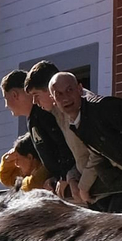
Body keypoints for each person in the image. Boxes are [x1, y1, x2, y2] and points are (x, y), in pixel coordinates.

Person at [50, 71, 122, 208]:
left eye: (69, 90)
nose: (66, 98)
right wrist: (78, 182)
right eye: (59, 94)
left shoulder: (103, 108)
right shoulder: (77, 123)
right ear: (53, 101)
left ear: (80, 89)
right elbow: (98, 152)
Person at [22, 63, 81, 194]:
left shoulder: (77, 109)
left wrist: (69, 177)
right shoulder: (56, 113)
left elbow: (89, 151)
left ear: (50, 90)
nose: (34, 102)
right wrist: (57, 177)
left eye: (36, 95)